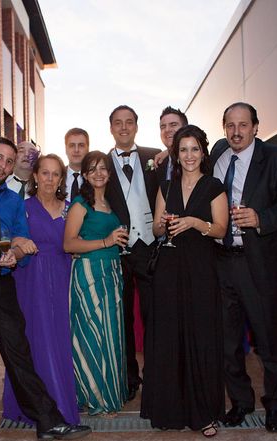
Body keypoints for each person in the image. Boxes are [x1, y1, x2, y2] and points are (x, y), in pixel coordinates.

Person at [0, 137, 91, 441]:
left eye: (8, 161)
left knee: (20, 353)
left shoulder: (13, 202)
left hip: (3, 281)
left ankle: (47, 420)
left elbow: (20, 240)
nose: (2, 165)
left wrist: (14, 254)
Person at [210, 102, 277, 433]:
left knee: (270, 342)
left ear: (255, 127)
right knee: (227, 342)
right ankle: (240, 402)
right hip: (222, 263)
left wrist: (261, 218)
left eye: (243, 125)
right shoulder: (217, 158)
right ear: (224, 129)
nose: (237, 131)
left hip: (261, 265)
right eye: (230, 125)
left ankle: (275, 407)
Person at [141, 125, 227, 436]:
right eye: (183, 150)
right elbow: (155, 231)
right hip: (169, 270)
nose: (189, 155)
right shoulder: (166, 188)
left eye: (194, 149)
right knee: (169, 338)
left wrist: (194, 222)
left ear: (202, 152)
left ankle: (204, 413)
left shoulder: (215, 186)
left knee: (200, 336)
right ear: (176, 155)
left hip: (202, 270)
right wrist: (164, 224)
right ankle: (169, 411)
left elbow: (220, 230)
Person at [2, 153, 79, 426]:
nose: (49, 179)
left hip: (62, 278)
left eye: (55, 174)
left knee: (60, 338)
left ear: (62, 178)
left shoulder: (71, 209)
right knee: (34, 339)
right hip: (30, 279)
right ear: (35, 176)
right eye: (44, 173)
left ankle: (61, 397)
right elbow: (8, 241)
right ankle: (34, 403)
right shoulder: (21, 207)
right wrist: (18, 248)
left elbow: (77, 244)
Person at [64, 151, 129, 415]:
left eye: (103, 168)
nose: (98, 173)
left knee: (111, 333)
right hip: (90, 273)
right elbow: (68, 244)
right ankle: (94, 397)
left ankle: (110, 393)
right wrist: (106, 242)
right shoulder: (80, 204)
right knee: (92, 333)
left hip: (112, 272)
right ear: (85, 175)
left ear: (109, 173)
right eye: (92, 169)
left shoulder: (112, 204)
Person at [104, 105, 161, 401]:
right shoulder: (100, 162)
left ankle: (155, 377)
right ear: (111, 128)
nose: (124, 127)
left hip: (151, 248)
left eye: (129, 122)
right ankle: (128, 377)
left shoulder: (156, 157)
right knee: (122, 317)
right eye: (118, 123)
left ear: (137, 126)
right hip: (119, 249)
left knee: (154, 317)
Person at [154, 106, 189, 181]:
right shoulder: (159, 164)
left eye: (173, 125)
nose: (167, 130)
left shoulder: (197, 161)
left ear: (185, 128)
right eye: (163, 127)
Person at [64, 128, 89, 201]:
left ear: (88, 148)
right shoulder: (57, 177)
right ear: (66, 149)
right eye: (72, 145)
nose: (76, 150)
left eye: (81, 145)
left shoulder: (95, 178)